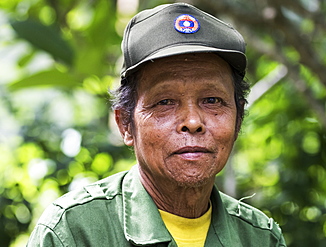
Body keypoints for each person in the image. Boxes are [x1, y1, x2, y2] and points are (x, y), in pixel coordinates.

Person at [27, 3, 286, 246]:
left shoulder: (260, 237)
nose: (193, 122)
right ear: (125, 124)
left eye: (211, 99)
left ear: (238, 118)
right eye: (165, 102)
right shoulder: (74, 232)